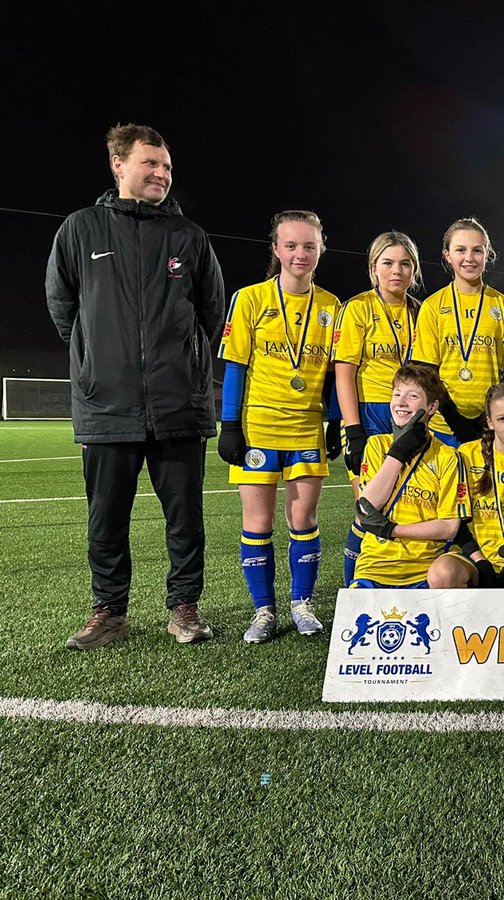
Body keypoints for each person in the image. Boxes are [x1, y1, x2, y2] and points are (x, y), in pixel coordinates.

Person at [46, 123, 225, 650]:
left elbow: (211, 311)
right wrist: (97, 361)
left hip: (178, 405)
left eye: (167, 166)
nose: (161, 173)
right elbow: (63, 308)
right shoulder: (80, 230)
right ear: (118, 164)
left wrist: (183, 362)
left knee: (185, 520)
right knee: (105, 522)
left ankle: (185, 609)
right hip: (107, 406)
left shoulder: (189, 236)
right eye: (151, 163)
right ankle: (109, 613)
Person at [217, 210, 341, 644]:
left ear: (321, 247)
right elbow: (235, 366)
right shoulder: (250, 299)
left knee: (304, 518)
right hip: (260, 427)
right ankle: (264, 611)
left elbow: (332, 374)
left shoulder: (331, 307)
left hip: (307, 428)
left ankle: (301, 604)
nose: (300, 254)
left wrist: (335, 421)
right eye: (291, 245)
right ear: (275, 249)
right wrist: (229, 424)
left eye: (309, 245)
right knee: (257, 522)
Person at [333, 232, 423, 585]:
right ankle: (352, 589)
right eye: (388, 263)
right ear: (374, 269)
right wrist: (352, 429)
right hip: (371, 415)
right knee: (368, 508)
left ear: (414, 269)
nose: (396, 271)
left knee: (408, 505)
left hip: (412, 415)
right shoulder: (358, 308)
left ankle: (402, 583)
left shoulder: (421, 310)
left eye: (404, 263)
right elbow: (344, 373)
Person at [350, 365, 469, 588]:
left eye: (412, 396)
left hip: (423, 569)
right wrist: (399, 451)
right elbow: (367, 507)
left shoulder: (448, 456)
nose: (401, 402)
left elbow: (449, 527)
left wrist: (391, 530)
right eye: (396, 394)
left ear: (432, 406)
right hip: (374, 567)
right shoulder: (376, 445)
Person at [428, 382, 504, 588]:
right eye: (502, 419)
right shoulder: (465, 455)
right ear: (490, 422)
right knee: (442, 574)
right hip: (473, 559)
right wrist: (480, 561)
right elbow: (454, 518)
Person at [411, 218, 504, 448]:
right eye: (460, 250)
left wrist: (490, 414)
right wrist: (456, 421)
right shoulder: (433, 306)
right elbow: (427, 371)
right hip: (445, 427)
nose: (469, 258)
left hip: (492, 425)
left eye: (477, 250)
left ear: (487, 254)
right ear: (447, 255)